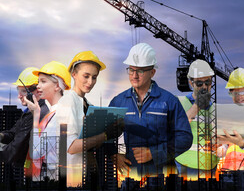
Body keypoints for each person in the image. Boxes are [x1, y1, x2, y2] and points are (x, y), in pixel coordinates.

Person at [109, 43, 193, 177]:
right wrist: (114, 154)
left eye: (140, 71)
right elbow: (105, 134)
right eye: (131, 70)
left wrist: (154, 153)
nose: (134, 75)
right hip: (133, 175)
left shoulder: (169, 101)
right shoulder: (118, 101)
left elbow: (185, 138)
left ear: (152, 72)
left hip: (164, 174)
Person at [56, 51, 120, 188]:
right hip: (73, 179)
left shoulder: (89, 105)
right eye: (86, 76)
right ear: (74, 74)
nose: (90, 82)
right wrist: (105, 135)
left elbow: (94, 144)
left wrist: (113, 129)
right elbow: (71, 147)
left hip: (90, 177)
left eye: (94, 77)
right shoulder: (67, 102)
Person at [23, 61, 71, 181]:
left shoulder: (60, 114)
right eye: (38, 81)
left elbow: (36, 153)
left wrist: (35, 115)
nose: (38, 86)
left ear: (57, 86)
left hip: (54, 177)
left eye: (43, 81)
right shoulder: (56, 112)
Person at [175, 59, 220, 179]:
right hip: (186, 166)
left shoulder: (215, 109)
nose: (204, 87)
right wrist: (197, 106)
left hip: (211, 167)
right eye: (199, 83)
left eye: (208, 82)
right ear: (191, 83)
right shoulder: (179, 102)